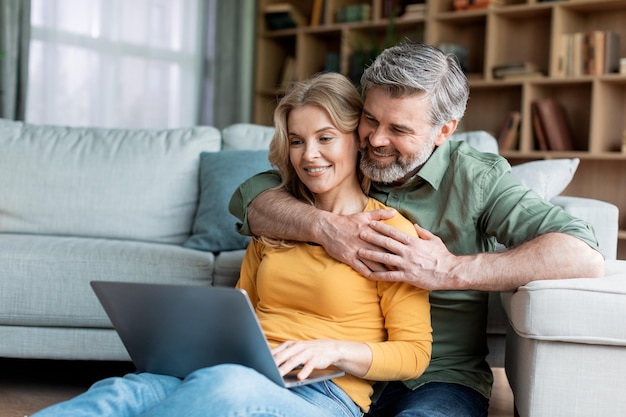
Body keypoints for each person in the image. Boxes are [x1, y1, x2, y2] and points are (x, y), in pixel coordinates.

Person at [229, 43, 605, 417]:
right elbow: (254, 197)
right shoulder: (346, 155)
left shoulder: (476, 179)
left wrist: (446, 270)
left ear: (444, 130)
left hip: (433, 375)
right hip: (336, 378)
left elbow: (582, 254)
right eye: (371, 119)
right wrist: (326, 227)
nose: (376, 140)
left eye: (398, 129)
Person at [31, 72, 432, 417]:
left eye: (325, 138)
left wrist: (335, 351)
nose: (309, 156)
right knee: (124, 390)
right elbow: (241, 315)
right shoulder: (278, 225)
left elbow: (413, 355)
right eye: (296, 141)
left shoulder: (391, 232)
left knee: (225, 388)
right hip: (236, 371)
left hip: (324, 396)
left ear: (358, 140)